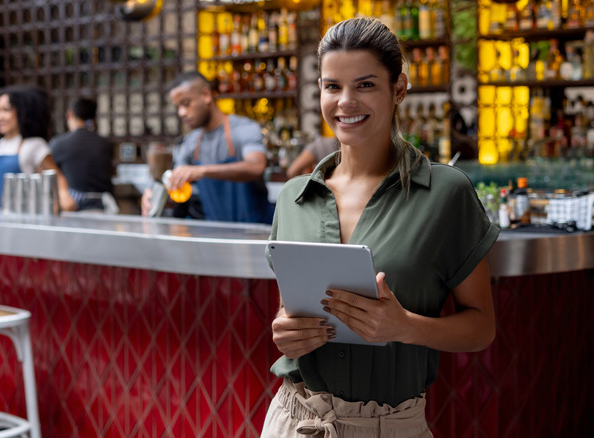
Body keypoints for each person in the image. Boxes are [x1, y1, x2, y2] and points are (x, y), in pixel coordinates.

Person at [262, 18, 499, 437]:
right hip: (293, 419)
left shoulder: (445, 192)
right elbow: (290, 311)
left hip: (389, 427)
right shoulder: (294, 197)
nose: (345, 102)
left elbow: (481, 328)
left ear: (400, 89)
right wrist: (286, 332)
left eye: (366, 85)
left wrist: (405, 326)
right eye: (332, 86)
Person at [141, 71, 273, 224]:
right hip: (216, 231)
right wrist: (155, 194)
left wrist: (201, 171)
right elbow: (175, 182)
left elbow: (256, 167)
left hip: (256, 231)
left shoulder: (243, 129)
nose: (181, 113)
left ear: (206, 95)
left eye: (186, 103)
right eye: (178, 107)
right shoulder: (191, 142)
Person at [0, 84, 75, 211]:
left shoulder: (34, 145)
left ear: (23, 111)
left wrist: (64, 196)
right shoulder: (1, 144)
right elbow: (2, 183)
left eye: (6, 110)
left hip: (24, 215)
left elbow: (57, 177)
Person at [50, 97, 116, 213]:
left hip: (72, 207)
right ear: (94, 119)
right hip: (103, 208)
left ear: (70, 114)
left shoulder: (58, 144)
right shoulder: (105, 144)